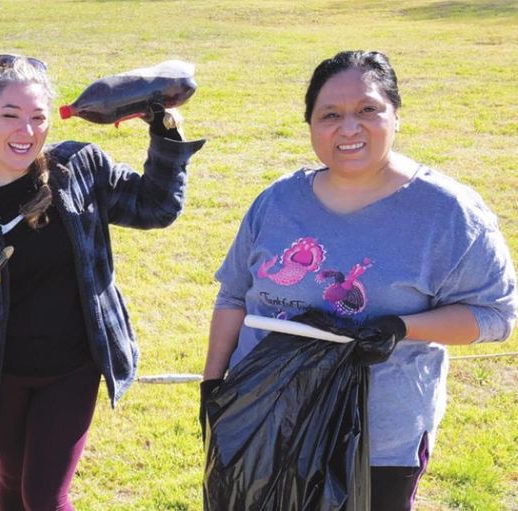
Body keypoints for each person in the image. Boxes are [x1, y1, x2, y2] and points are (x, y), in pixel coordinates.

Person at [202, 50, 517, 510]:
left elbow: (497, 315)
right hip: (262, 419)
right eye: (330, 115)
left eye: (368, 110)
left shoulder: (448, 214)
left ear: (395, 115)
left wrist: (402, 328)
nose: (349, 128)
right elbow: (233, 296)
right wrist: (214, 387)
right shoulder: (276, 203)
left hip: (379, 441)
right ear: (311, 125)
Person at [0, 54, 205, 510]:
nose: (26, 132)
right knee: (12, 481)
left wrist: (165, 131)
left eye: (37, 118)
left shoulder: (79, 169)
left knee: (44, 496)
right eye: (10, 116)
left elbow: (155, 208)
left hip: (72, 368)